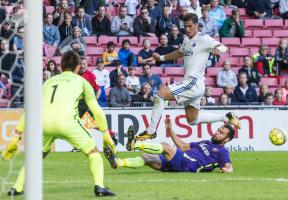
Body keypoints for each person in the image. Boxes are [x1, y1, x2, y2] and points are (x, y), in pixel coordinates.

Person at [2, 51, 116, 197]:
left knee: (36, 156)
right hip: (67, 122)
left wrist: (16, 137)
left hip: (44, 123)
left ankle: (17, 187)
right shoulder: (82, 82)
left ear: (61, 66)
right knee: (93, 152)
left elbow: (30, 109)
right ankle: (99, 186)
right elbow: (97, 110)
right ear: (78, 66)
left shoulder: (48, 82)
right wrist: (106, 134)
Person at [134, 13, 240, 141]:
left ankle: (151, 131)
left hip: (193, 82)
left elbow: (223, 47)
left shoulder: (204, 38)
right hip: (194, 84)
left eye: (190, 26)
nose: (187, 29)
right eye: (185, 26)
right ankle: (225, 117)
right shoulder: (186, 39)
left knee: (160, 95)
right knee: (192, 120)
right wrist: (161, 58)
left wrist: (218, 50)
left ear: (197, 26)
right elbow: (180, 52)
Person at [104, 118, 235, 174]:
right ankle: (118, 162)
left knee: (165, 146)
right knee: (147, 158)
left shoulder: (223, 151)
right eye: (218, 130)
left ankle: (134, 145)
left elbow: (228, 166)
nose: (217, 132)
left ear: (227, 139)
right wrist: (170, 129)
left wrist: (228, 170)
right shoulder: (206, 142)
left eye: (221, 133)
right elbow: (183, 146)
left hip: (189, 165)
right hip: (182, 159)